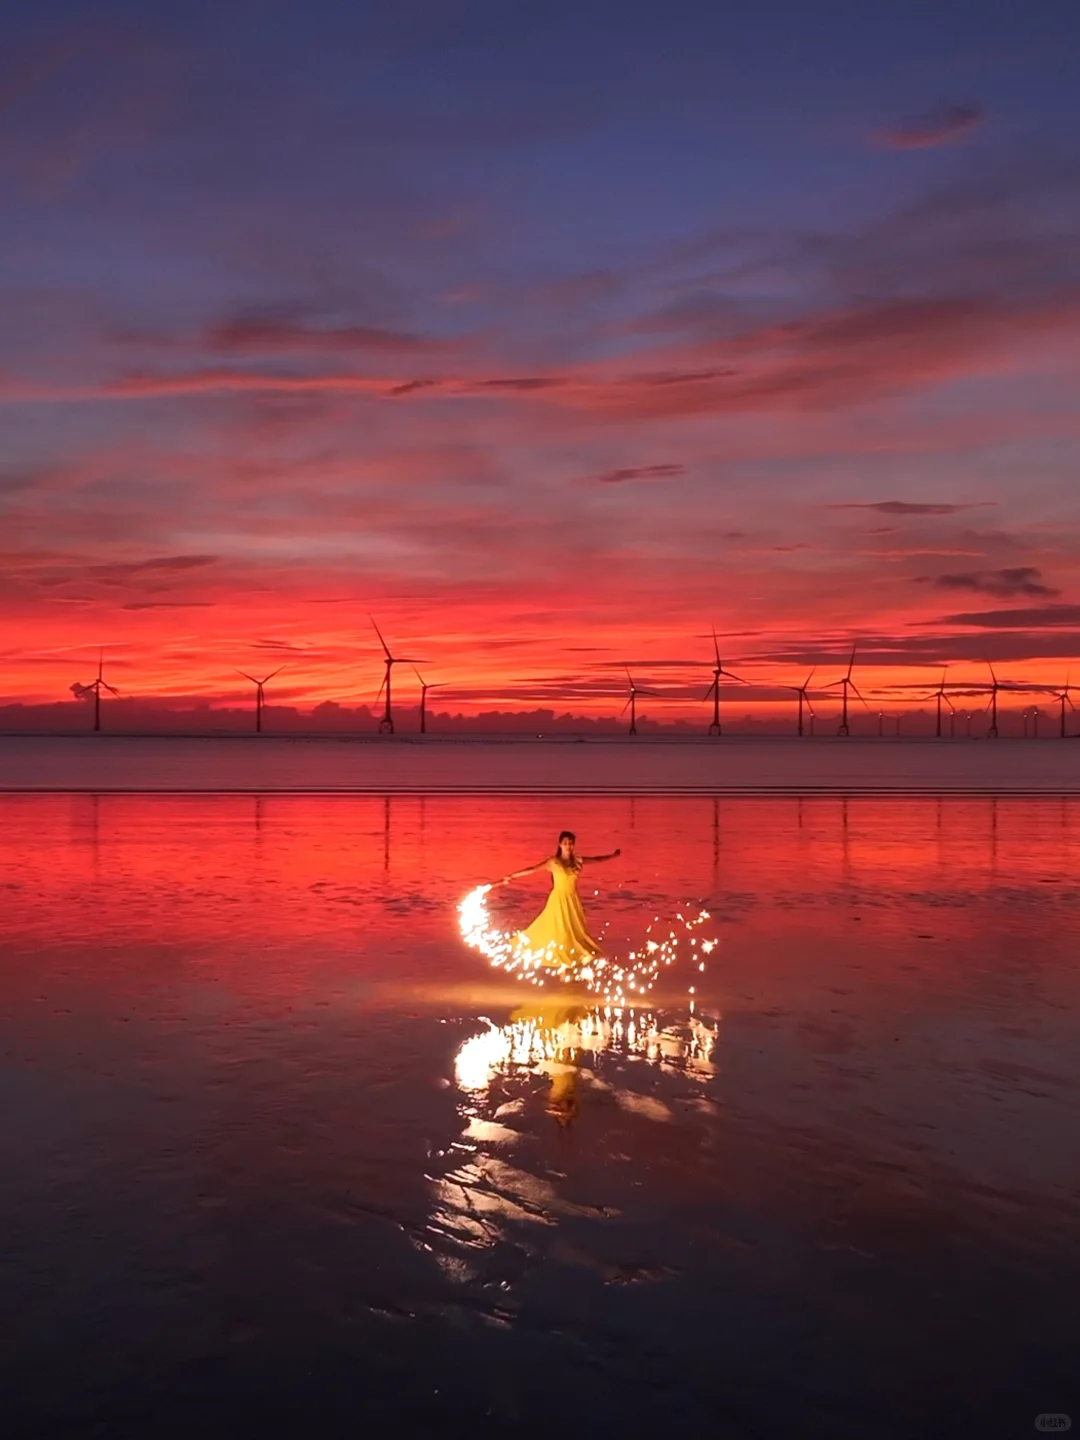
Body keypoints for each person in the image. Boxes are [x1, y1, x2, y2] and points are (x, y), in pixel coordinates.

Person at [497, 830, 620, 967]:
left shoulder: (577, 860)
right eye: (566, 843)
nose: (568, 846)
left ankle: (571, 960)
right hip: (558, 900)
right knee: (559, 931)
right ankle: (562, 966)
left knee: (574, 931)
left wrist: (613, 856)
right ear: (560, 844)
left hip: (572, 900)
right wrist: (512, 876)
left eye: (571, 843)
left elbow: (597, 859)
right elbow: (532, 869)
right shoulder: (553, 862)